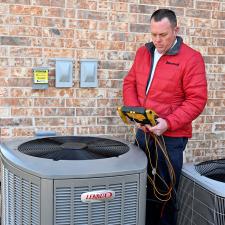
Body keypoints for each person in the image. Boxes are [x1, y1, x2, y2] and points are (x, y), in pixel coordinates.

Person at [122, 9, 207, 225]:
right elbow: (129, 82)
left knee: (165, 193)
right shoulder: (143, 52)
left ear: (176, 30)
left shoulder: (191, 58)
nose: (157, 40)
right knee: (139, 184)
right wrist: (136, 113)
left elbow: (197, 100)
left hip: (171, 137)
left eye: (163, 35)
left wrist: (168, 122)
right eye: (154, 35)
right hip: (144, 132)